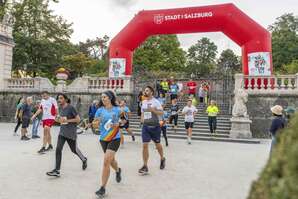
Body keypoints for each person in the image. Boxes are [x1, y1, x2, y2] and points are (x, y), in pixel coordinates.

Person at [46, 94, 87, 177]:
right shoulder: (61, 108)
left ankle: (84, 159)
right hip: (62, 132)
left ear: (65, 99)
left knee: (74, 150)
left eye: (61, 98)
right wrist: (58, 119)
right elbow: (62, 120)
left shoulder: (71, 108)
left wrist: (67, 120)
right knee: (58, 149)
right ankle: (57, 170)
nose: (59, 100)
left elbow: (78, 119)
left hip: (71, 133)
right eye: (58, 99)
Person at [92, 91, 122, 198]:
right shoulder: (99, 110)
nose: (102, 99)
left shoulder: (117, 109)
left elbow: (124, 121)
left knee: (106, 162)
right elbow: (94, 125)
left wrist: (119, 123)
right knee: (111, 160)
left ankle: (102, 188)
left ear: (110, 98)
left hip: (115, 138)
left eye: (104, 97)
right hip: (103, 139)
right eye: (101, 97)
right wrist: (96, 122)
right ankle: (118, 170)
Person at [139, 86, 166, 175]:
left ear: (151, 92)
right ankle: (145, 166)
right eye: (145, 90)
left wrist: (154, 110)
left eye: (147, 90)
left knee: (158, 145)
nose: (145, 92)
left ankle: (162, 158)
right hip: (146, 126)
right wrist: (142, 119)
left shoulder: (156, 102)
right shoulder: (143, 102)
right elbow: (143, 112)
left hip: (155, 127)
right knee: (145, 145)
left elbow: (162, 113)